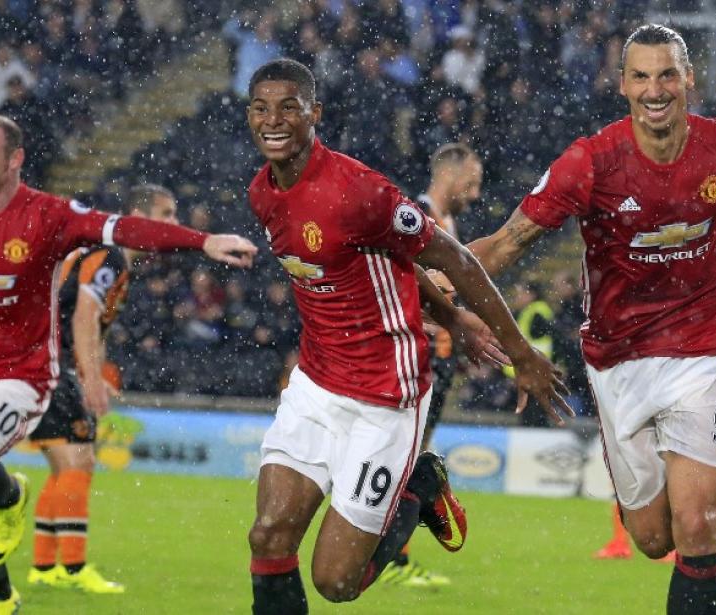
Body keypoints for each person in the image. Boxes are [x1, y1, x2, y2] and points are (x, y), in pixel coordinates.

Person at [467, 25, 716, 615]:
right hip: (618, 360)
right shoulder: (590, 162)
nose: (656, 89)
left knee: (698, 527)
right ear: (623, 84)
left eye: (668, 74)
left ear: (689, 79)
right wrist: (430, 288)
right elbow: (504, 245)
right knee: (652, 538)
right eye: (643, 76)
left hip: (705, 351)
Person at [0, 115, 257, 615]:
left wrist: (200, 240)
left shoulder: (48, 215)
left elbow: (124, 227)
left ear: (14, 160)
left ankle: (10, 499)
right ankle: (1, 595)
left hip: (21, 374)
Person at [245, 58, 571, 614]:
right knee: (268, 538)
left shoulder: (359, 192)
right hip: (317, 387)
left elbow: (460, 260)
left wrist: (519, 354)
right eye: (260, 108)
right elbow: (376, 263)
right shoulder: (262, 192)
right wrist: (451, 317)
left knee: (336, 582)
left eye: (288, 107)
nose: (273, 120)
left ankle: (419, 489)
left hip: (385, 398)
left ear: (314, 114)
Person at [26, 184, 179, 594]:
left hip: (46, 362)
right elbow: (83, 318)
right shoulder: (108, 256)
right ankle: (74, 570)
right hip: (53, 366)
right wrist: (92, 380)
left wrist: (99, 372)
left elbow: (95, 324)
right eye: (166, 215)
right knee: (79, 462)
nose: (174, 225)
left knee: (64, 465)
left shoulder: (114, 260)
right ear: (139, 216)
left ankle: (44, 566)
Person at [380, 142, 482, 588]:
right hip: (414, 358)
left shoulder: (450, 225)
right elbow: (403, 283)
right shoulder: (416, 218)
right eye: (472, 182)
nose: (476, 193)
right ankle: (389, 561)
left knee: (414, 458)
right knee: (406, 458)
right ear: (449, 176)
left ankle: (391, 557)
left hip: (437, 359)